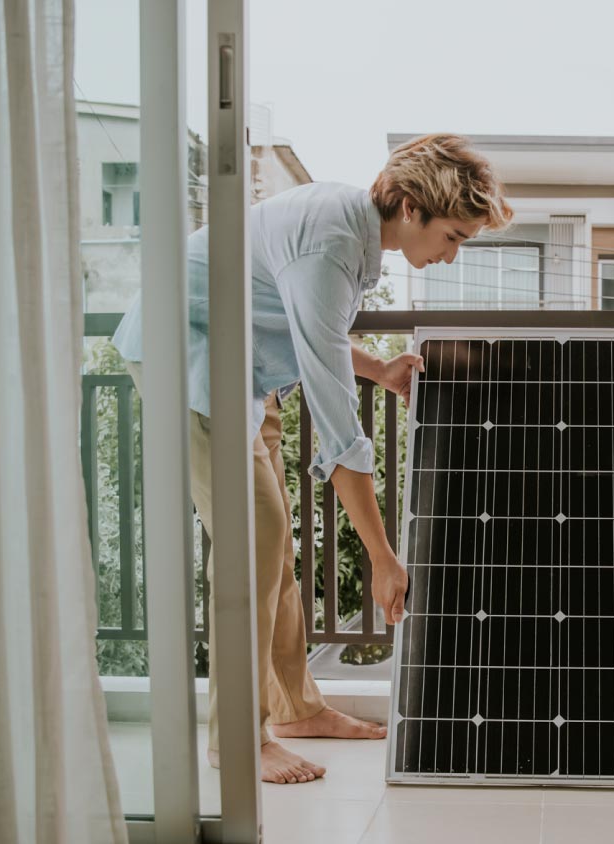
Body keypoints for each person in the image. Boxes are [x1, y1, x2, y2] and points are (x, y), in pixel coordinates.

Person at [111, 134, 513, 784]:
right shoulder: (330, 241)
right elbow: (337, 426)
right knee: (254, 545)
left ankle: (295, 708)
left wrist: (378, 369)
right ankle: (239, 741)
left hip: (244, 370)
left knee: (274, 547)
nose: (451, 253)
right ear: (411, 207)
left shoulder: (353, 231)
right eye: (455, 236)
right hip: (184, 360)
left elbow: (310, 332)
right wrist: (383, 557)